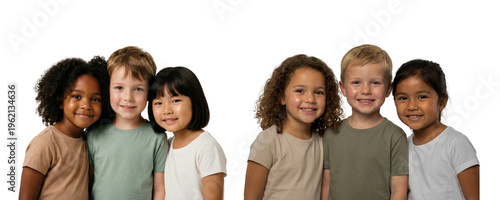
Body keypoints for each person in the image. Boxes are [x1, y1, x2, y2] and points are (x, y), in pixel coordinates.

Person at [244, 54, 343, 200]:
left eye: (319, 92)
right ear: (282, 97)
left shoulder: (323, 142)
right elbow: (252, 197)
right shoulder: (268, 141)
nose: (310, 99)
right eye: (299, 91)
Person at [321, 44, 408, 200]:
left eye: (375, 83)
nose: (366, 90)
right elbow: (326, 184)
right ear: (343, 88)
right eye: (356, 82)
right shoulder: (331, 133)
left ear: (388, 89)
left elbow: (398, 190)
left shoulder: (395, 136)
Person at [19, 56, 110, 200]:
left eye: (95, 99)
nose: (86, 105)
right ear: (61, 100)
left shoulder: (90, 142)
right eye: (76, 96)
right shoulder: (45, 143)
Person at [86, 46, 168, 199]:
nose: (128, 97)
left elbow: (159, 190)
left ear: (149, 92)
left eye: (138, 89)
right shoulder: (94, 134)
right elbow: (87, 185)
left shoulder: (156, 137)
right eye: (119, 88)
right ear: (107, 89)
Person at [393, 59, 479, 200]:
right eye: (403, 98)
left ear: (442, 102)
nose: (412, 106)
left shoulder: (456, 143)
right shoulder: (401, 147)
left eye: (422, 97)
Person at [149, 66, 227, 200]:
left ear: (195, 101)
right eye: (158, 103)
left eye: (175, 101)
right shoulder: (165, 145)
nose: (166, 110)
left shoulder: (206, 147)